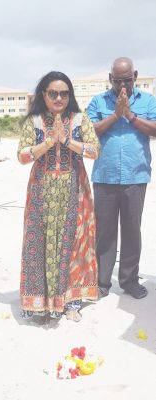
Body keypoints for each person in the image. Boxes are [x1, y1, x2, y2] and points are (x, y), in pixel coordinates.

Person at [18, 71, 100, 322]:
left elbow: (94, 151)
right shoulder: (33, 121)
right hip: (41, 189)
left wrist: (65, 140)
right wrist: (48, 143)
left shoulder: (79, 119)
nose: (59, 98)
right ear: (44, 94)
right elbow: (22, 156)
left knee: (73, 243)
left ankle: (71, 301)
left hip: (74, 190)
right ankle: (39, 303)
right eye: (53, 93)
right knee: (39, 242)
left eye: (64, 93)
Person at [87, 57, 156, 299]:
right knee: (104, 231)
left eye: (127, 80)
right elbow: (88, 132)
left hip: (136, 176)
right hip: (105, 176)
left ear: (135, 75)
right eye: (118, 81)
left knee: (131, 230)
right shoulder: (98, 101)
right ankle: (102, 282)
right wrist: (116, 115)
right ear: (110, 79)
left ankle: (129, 281)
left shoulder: (148, 100)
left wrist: (131, 115)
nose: (123, 86)